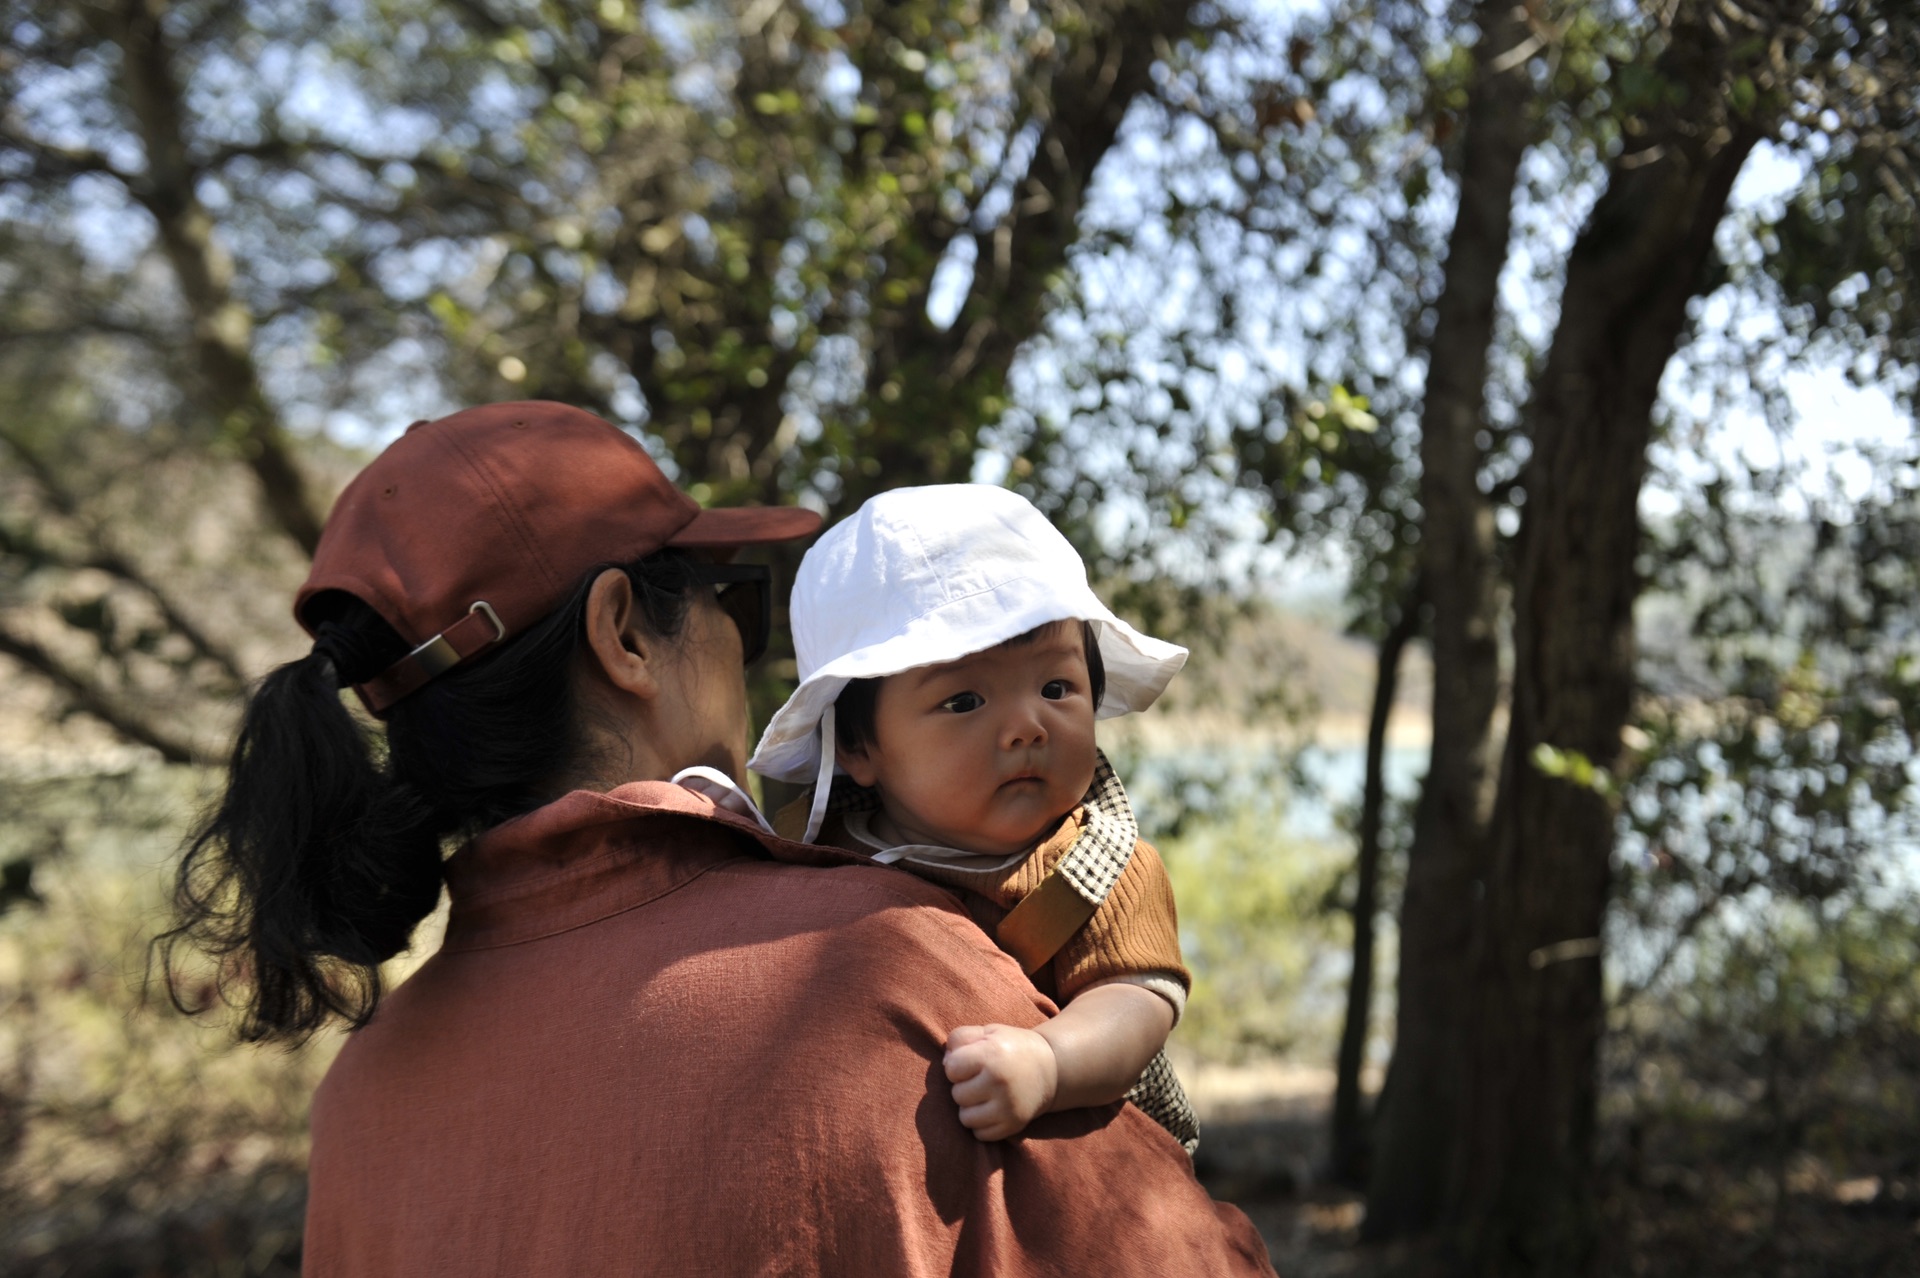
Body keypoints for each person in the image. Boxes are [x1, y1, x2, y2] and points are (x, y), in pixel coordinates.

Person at [160, 401, 1276, 1276]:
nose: (746, 642)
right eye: (727, 597)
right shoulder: (883, 977)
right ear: (623, 636)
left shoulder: (363, 1099)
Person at [748, 485, 1200, 1152]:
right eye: (964, 701)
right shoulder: (816, 851)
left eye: (1056, 688)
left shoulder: (1102, 868)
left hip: (1082, 1154)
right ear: (856, 745)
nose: (1026, 726)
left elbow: (1138, 1002)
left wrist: (1049, 1063)